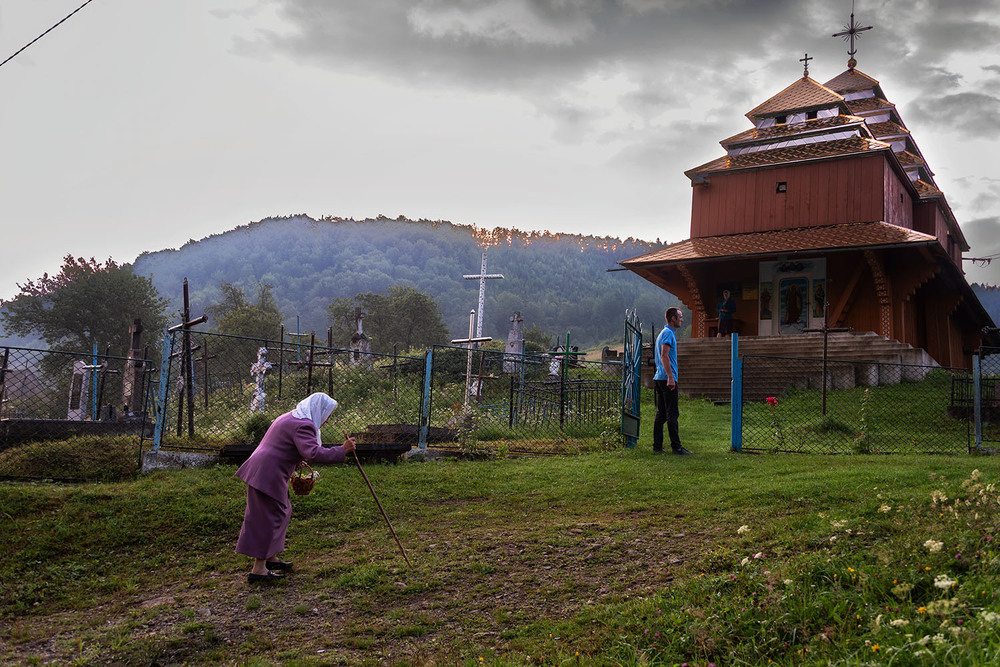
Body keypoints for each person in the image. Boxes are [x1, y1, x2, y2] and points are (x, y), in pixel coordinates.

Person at [235, 392, 356, 583]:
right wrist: (342, 450)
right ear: (319, 410)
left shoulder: (291, 416)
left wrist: (295, 459)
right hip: (268, 472)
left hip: (265, 470)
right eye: (328, 414)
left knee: (281, 511)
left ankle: (270, 558)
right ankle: (258, 569)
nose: (327, 419)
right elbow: (314, 453)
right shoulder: (304, 425)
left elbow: (284, 445)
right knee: (268, 516)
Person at [653, 307, 692, 455]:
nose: (682, 319)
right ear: (673, 318)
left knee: (662, 414)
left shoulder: (663, 333)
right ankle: (676, 447)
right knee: (672, 413)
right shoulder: (668, 333)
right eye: (680, 317)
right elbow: (664, 355)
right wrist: (670, 377)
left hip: (659, 377)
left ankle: (657, 446)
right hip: (667, 378)